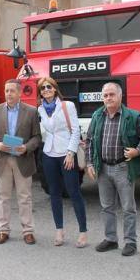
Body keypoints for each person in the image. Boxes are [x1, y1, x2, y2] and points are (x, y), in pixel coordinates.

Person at [85, 82, 140, 256]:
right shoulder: (98, 115)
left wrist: (137, 151)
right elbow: (89, 140)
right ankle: (111, 239)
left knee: (128, 208)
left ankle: (130, 242)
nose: (108, 98)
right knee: (106, 207)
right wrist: (90, 163)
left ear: (120, 96)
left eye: (112, 94)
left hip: (123, 167)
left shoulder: (132, 116)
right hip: (103, 168)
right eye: (105, 95)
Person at [0, 79, 42, 245]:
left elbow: (37, 137)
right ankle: (3, 230)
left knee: (25, 197)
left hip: (23, 160)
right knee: (3, 197)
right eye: (6, 91)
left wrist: (27, 147)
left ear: (19, 93)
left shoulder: (31, 112)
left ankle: (28, 231)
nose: (9, 94)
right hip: (2, 160)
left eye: (12, 91)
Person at [37, 77, 88, 248]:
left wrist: (70, 153)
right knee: (54, 193)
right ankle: (59, 230)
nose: (46, 90)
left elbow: (75, 131)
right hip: (49, 154)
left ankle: (83, 231)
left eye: (48, 87)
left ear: (55, 88)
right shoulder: (41, 109)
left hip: (66, 154)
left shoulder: (67, 106)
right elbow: (47, 129)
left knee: (74, 192)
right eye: (42, 88)